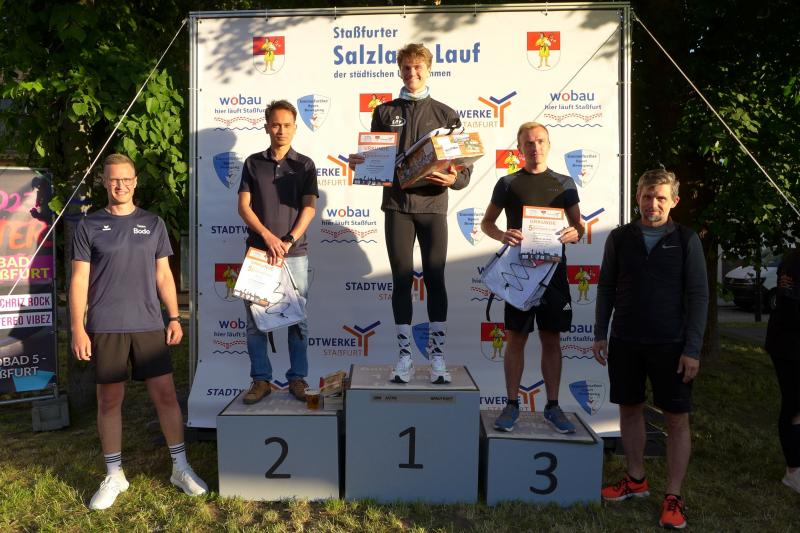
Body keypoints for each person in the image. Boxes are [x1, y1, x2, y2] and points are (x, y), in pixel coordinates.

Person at [70, 153, 207, 510]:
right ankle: (114, 474)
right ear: (104, 182)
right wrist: (77, 328)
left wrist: (174, 317)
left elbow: (163, 275)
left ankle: (180, 467)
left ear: (135, 182)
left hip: (148, 323)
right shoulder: (89, 225)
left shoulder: (153, 223)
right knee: (109, 401)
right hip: (106, 326)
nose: (121, 185)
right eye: (114, 179)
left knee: (166, 396)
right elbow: (79, 280)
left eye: (126, 179)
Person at [592, 169, 708, 530]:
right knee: (629, 410)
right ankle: (636, 479)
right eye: (646, 196)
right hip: (626, 340)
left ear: (674, 201)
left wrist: (692, 349)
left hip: (671, 345)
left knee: (676, 419)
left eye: (660, 197)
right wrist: (600, 333)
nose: (652, 203)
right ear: (637, 197)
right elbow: (606, 287)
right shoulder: (620, 237)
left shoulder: (687, 239)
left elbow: (699, 296)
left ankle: (673, 496)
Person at [349, 43, 471, 384]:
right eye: (406, 67)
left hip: (433, 207)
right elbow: (377, 159)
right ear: (399, 70)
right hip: (398, 208)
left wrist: (455, 179)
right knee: (401, 280)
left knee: (435, 279)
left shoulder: (447, 114)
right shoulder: (384, 111)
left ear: (429, 69)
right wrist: (363, 164)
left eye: (418, 67)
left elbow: (462, 169)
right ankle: (404, 357)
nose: (412, 73)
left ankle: (437, 358)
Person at [480, 122, 583, 433]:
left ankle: (552, 406)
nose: (535, 147)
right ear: (519, 148)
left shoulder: (564, 183)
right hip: (520, 273)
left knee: (551, 339)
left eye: (540, 141)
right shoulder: (507, 183)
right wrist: (502, 235)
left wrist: (574, 232)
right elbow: (487, 223)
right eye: (528, 143)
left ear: (548, 145)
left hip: (553, 273)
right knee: (516, 338)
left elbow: (579, 227)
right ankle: (512, 404)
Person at [238, 99, 318, 404]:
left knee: (298, 320)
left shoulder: (305, 165)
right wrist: (268, 237)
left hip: (294, 254)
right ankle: (261, 380)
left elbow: (309, 208)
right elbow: (244, 206)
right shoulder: (252, 163)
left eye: (286, 125)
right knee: (256, 320)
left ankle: (297, 378)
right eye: (275, 125)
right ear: (266, 127)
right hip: (258, 254)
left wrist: (288, 240)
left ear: (295, 128)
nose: (281, 130)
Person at [765, 248, 800, 494]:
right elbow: (789, 308)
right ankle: (793, 471)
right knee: (795, 405)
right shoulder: (794, 262)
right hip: (789, 346)